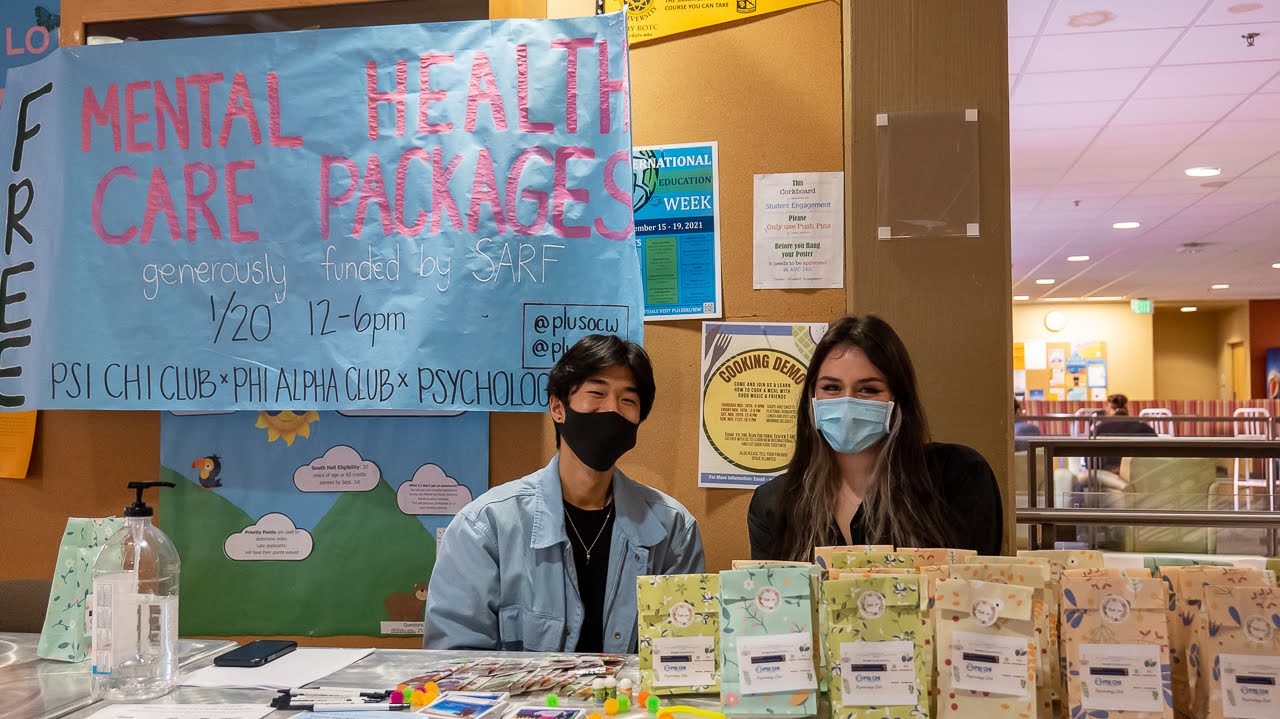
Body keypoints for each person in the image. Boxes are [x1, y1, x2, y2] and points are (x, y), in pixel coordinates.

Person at [424, 334, 705, 653]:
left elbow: (683, 661)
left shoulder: (673, 530)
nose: (611, 409)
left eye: (628, 400)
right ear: (558, 408)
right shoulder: (485, 528)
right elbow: (453, 663)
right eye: (596, 393)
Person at [747, 315, 1003, 561]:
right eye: (831, 388)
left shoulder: (958, 477)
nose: (847, 401)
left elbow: (977, 592)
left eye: (869, 389)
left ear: (898, 399)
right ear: (811, 399)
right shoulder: (774, 503)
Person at [1088, 393, 1156, 474]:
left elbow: (1090, 463)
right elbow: (1156, 457)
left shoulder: (1099, 429)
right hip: (1140, 475)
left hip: (1107, 475)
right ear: (1127, 408)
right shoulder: (1145, 428)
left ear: (1108, 410)